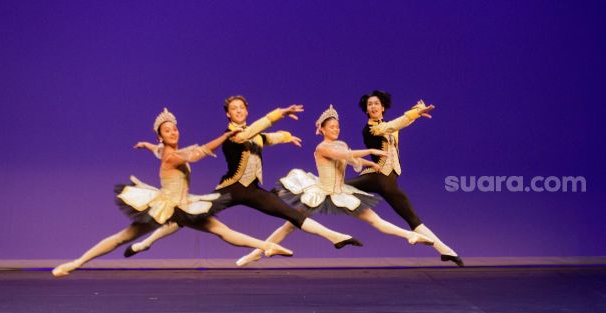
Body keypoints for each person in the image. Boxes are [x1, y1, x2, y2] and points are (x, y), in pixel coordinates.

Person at [51, 107, 293, 277]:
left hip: (183, 205)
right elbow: (196, 154)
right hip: (165, 207)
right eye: (167, 131)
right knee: (122, 238)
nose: (173, 132)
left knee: (221, 230)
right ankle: (76, 263)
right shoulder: (173, 156)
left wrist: (146, 145)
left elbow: (157, 150)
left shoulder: (163, 150)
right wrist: (224, 137)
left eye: (175, 129)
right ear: (161, 136)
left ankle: (265, 246)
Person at [123, 96, 363, 257]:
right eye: (233, 109)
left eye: (241, 108)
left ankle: (335, 237)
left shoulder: (254, 135)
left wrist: (287, 136)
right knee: (189, 214)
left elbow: (266, 138)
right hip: (231, 188)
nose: (238, 111)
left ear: (246, 110)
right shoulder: (233, 134)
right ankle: (146, 242)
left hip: (253, 190)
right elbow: (256, 129)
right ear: (228, 115)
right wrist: (279, 113)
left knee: (290, 213)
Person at [235, 105, 433, 267]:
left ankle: (410, 236)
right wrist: (371, 150)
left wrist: (370, 163)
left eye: (337, 126)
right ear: (321, 129)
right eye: (331, 127)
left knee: (376, 221)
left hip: (340, 193)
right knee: (289, 226)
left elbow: (351, 157)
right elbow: (344, 156)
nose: (336, 129)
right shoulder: (321, 147)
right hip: (320, 192)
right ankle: (257, 253)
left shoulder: (342, 143)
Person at [346, 90, 464, 267]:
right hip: (377, 177)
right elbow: (393, 126)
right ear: (366, 110)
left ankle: (447, 251)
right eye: (370, 104)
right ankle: (306, 213)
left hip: (389, 181)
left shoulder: (388, 125)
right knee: (336, 187)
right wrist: (415, 113)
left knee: (412, 218)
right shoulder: (370, 129)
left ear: (383, 107)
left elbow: (398, 125)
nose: (373, 106)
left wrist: (417, 111)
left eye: (376, 103)